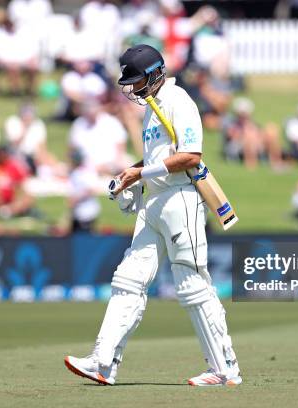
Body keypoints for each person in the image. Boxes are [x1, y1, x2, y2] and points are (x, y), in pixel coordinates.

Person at [64, 44, 241, 387]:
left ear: (156, 73)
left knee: (191, 284)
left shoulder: (179, 101)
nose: (131, 89)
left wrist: (139, 175)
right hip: (153, 201)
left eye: (136, 81)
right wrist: (128, 174)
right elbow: (159, 159)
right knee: (128, 279)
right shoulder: (152, 108)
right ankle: (103, 363)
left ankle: (225, 369)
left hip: (181, 199)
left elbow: (190, 156)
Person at [68, 100, 131, 178]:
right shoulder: (78, 124)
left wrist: (113, 164)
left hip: (112, 163)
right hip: (88, 165)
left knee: (126, 165)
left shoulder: (111, 122)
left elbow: (121, 148)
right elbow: (72, 150)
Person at [221, 97, 285, 171]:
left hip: (255, 144)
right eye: (242, 113)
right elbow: (232, 136)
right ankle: (251, 164)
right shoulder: (231, 122)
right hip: (236, 147)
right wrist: (246, 132)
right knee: (249, 136)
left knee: (271, 129)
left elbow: (259, 134)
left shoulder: (251, 123)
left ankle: (276, 163)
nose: (244, 115)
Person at [5, 102, 60, 175]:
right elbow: (14, 145)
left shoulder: (38, 124)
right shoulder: (13, 122)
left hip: (34, 157)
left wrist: (43, 158)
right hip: (16, 155)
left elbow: (42, 147)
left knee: (49, 162)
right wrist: (25, 128)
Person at [0, 145, 33, 219]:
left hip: (11, 199)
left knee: (28, 198)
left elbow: (20, 184)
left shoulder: (14, 166)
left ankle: (7, 211)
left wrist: (18, 195)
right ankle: (5, 211)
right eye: (0, 154)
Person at [68, 149, 101, 233]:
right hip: (77, 213)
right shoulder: (74, 173)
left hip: (87, 213)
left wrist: (77, 198)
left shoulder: (87, 173)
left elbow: (92, 189)